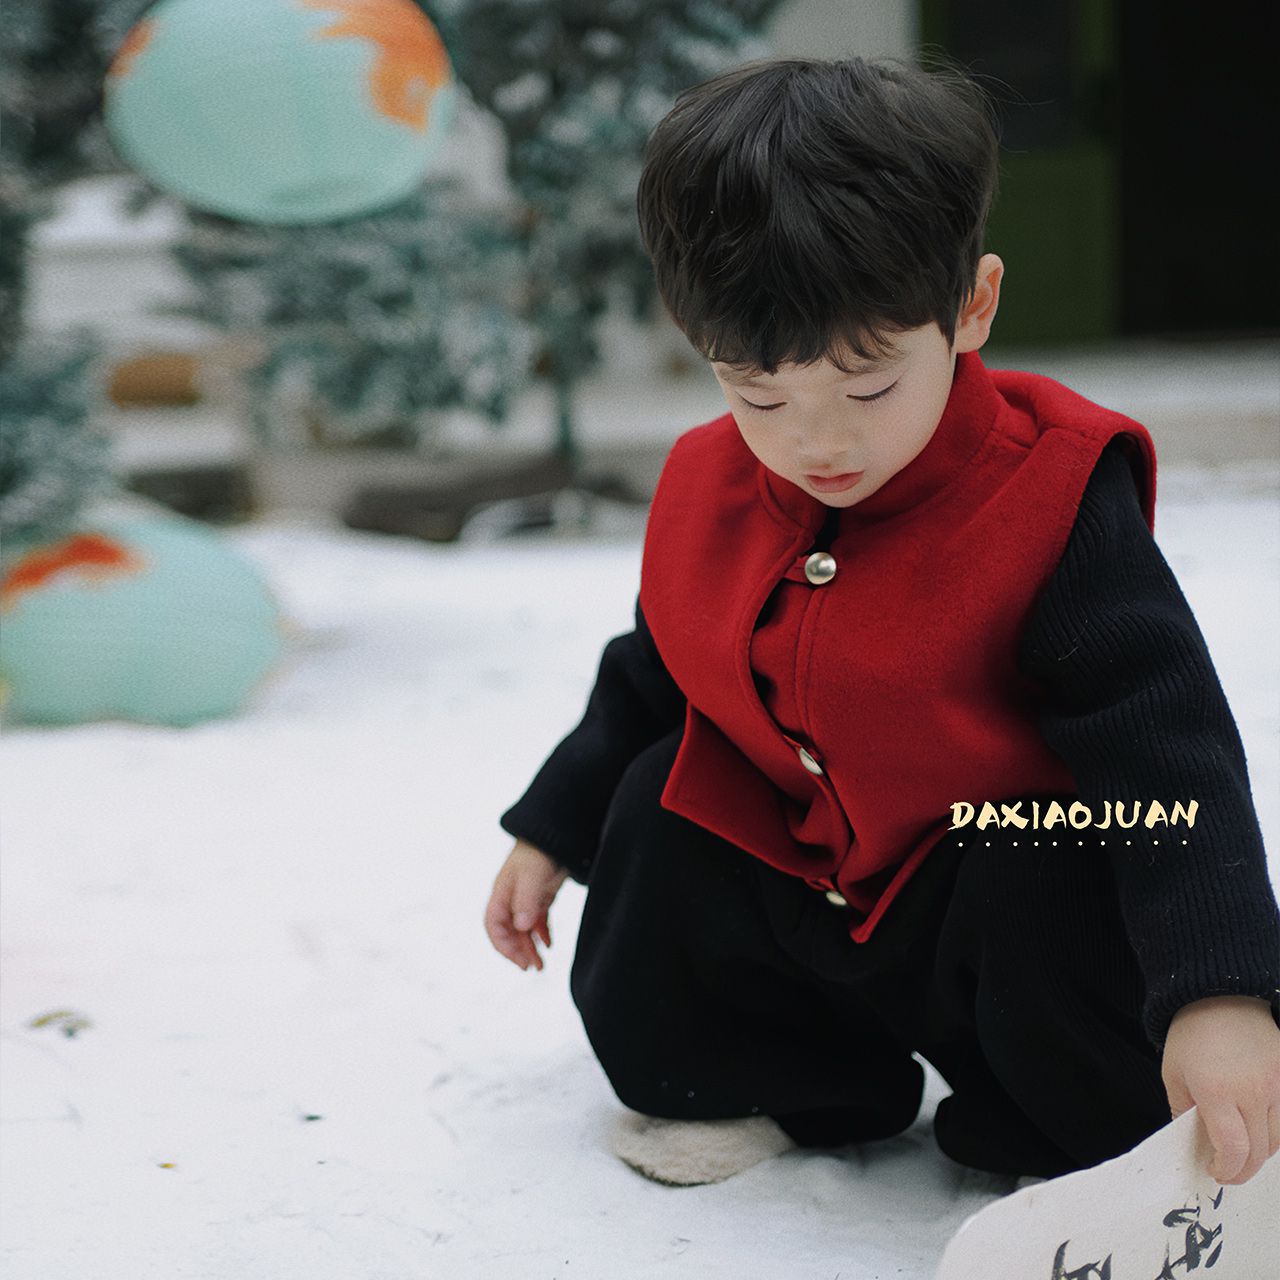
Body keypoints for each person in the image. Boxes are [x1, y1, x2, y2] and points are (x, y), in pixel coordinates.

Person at [483, 55, 1280, 1190]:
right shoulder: (710, 482)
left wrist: (1220, 991)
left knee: (1050, 868)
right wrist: (553, 831)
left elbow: (1167, 751)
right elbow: (659, 669)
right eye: (760, 395)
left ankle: (1048, 1123)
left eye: (867, 388)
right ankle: (773, 1076)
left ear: (971, 307)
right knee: (664, 795)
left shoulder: (1048, 493)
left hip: (986, 888)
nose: (818, 441)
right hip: (800, 887)